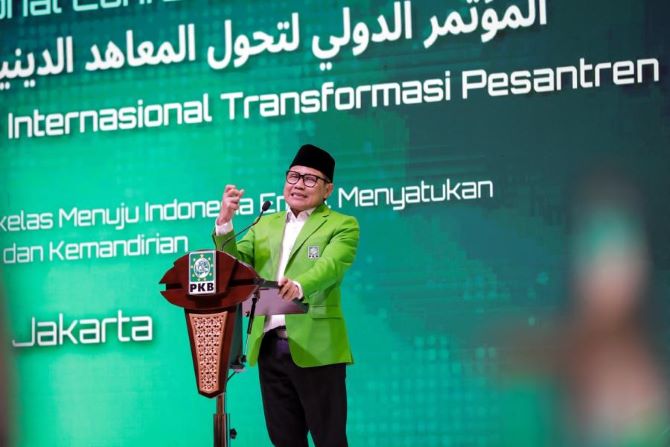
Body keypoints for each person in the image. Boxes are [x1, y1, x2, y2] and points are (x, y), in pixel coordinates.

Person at [212, 144, 360, 447]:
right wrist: (225, 221)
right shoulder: (264, 224)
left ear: (328, 189)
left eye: (310, 179)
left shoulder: (342, 225)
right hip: (269, 346)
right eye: (293, 176)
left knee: (330, 439)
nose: (298, 185)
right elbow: (233, 266)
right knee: (284, 439)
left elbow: (331, 266)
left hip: (318, 347)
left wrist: (300, 285)